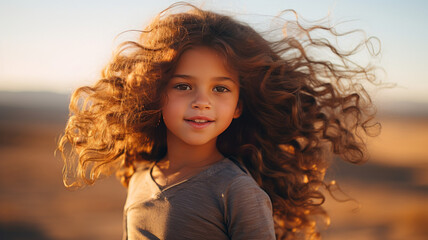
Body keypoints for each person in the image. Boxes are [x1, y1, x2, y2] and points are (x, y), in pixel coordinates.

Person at [57, 2, 380, 239]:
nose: (202, 101)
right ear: (154, 93)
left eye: (220, 88)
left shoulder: (237, 192)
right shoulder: (141, 178)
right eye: (183, 85)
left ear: (239, 105)